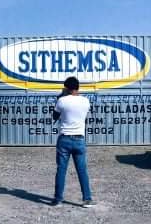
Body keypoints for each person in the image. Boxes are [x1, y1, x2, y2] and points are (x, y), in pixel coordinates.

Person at [51, 76, 96, 208]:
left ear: (66, 88)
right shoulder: (86, 101)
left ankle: (58, 199)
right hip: (79, 139)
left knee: (61, 170)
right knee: (82, 170)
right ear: (77, 87)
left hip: (64, 139)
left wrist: (60, 96)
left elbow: (54, 117)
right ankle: (87, 199)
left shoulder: (61, 101)